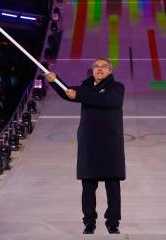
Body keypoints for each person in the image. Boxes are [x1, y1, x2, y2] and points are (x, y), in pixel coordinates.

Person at [45, 57, 125, 235]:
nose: (100, 69)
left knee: (112, 185)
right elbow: (68, 92)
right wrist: (55, 81)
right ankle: (89, 222)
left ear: (110, 71)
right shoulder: (86, 87)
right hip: (89, 142)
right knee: (88, 185)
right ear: (92, 70)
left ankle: (113, 223)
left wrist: (79, 95)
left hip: (111, 143)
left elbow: (108, 101)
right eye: (97, 66)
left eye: (104, 67)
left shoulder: (117, 88)